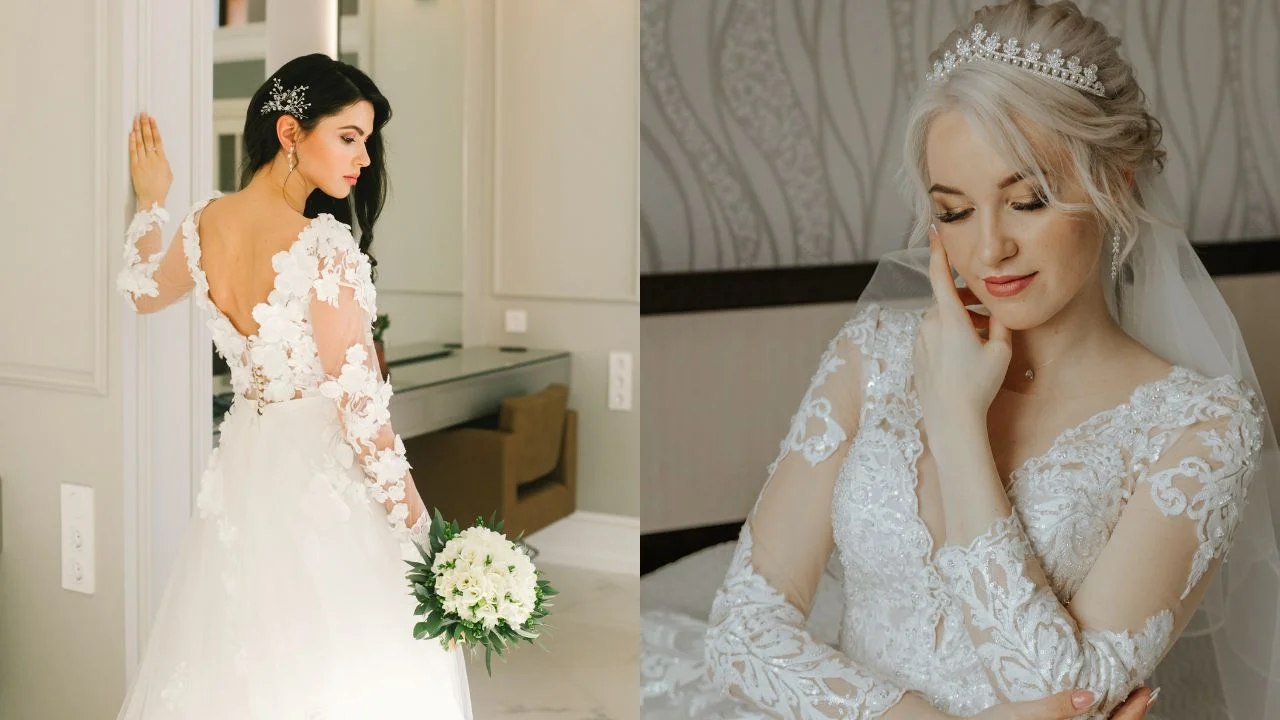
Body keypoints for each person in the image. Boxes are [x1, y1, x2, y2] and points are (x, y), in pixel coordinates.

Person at [639, 1, 1280, 718]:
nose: (988, 249)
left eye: (1028, 200)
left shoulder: (1204, 427)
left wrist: (954, 428)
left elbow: (1059, 695)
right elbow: (740, 635)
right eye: (954, 211)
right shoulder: (874, 353)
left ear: (1116, 183)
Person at [115, 54, 472, 718]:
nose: (363, 159)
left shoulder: (199, 225)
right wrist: (423, 533)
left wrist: (151, 203)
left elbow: (138, 291)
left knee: (243, 639)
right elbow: (364, 415)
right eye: (349, 137)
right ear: (289, 133)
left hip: (245, 467)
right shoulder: (326, 247)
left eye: (367, 142)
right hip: (320, 478)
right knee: (342, 658)